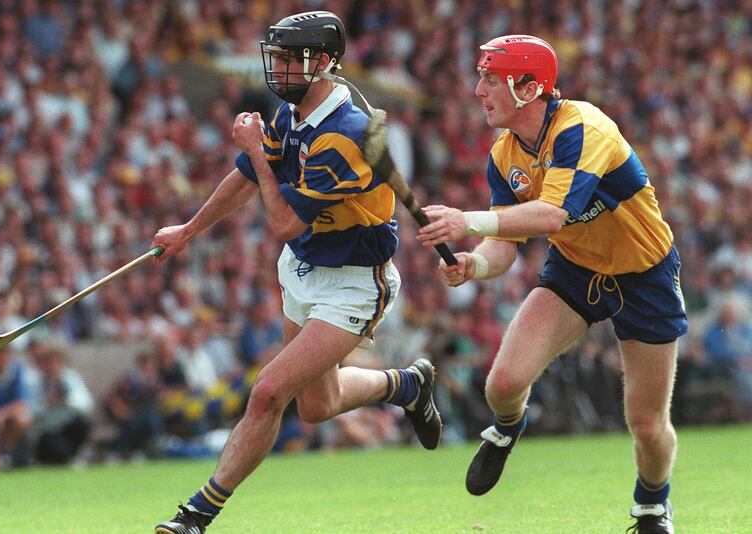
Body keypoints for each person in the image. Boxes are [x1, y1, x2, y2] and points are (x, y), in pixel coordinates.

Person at [152, 11, 442, 534]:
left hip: (354, 281)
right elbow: (245, 180)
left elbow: (283, 220)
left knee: (267, 392)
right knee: (316, 405)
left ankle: (197, 513)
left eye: (290, 59)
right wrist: (189, 230)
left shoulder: (346, 134)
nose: (279, 68)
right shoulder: (293, 113)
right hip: (302, 268)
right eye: (278, 57)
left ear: (324, 63)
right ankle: (406, 386)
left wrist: (258, 157)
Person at [417, 35, 687, 534]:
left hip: (644, 274)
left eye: (490, 79)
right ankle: (506, 428)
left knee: (647, 424)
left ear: (528, 86)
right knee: (502, 384)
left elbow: (553, 215)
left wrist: (466, 221)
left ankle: (652, 505)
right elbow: (504, 244)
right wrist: (474, 266)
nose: (478, 90)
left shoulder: (582, 127)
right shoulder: (503, 155)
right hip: (575, 269)